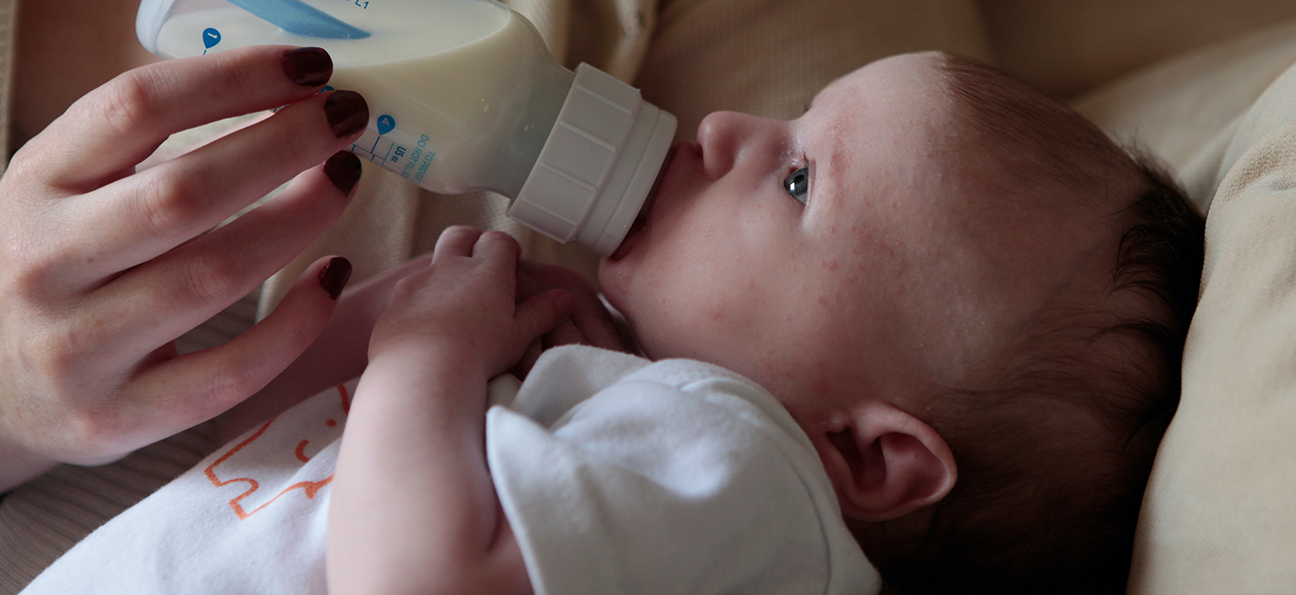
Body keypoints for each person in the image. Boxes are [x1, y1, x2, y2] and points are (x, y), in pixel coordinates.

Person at [18, 51, 1205, 595]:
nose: (731, 125)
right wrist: (405, 336)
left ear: (863, 453)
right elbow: (289, 464)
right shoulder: (641, 445)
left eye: (797, 180)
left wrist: (426, 355)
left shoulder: (747, 474)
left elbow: (410, 576)